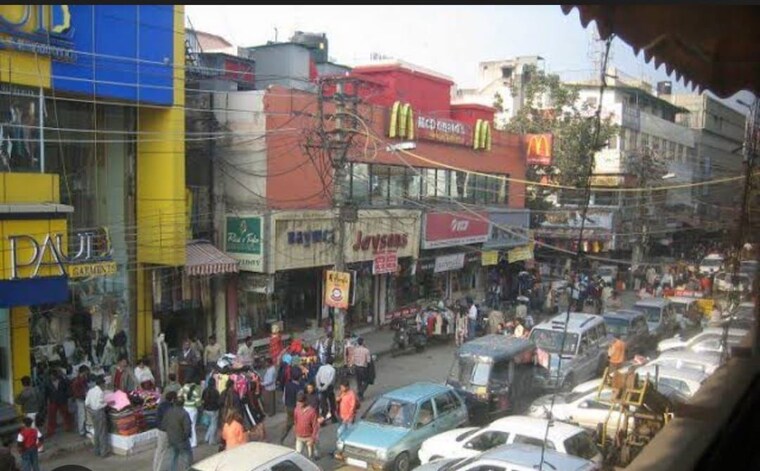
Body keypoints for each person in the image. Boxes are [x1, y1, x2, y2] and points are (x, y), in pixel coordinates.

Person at [162, 394, 193, 471]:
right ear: (183, 403)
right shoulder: (184, 413)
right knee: (187, 457)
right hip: (182, 439)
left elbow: (164, 425)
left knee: (173, 457)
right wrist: (186, 436)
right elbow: (187, 428)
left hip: (171, 439)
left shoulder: (169, 411)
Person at [85, 377, 113, 457]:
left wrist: (91, 411)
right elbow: (101, 404)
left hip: (93, 412)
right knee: (102, 432)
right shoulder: (100, 392)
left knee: (97, 431)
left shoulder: (90, 391)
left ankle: (97, 450)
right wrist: (107, 403)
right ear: (101, 384)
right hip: (100, 412)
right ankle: (104, 452)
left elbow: (86, 403)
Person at [334, 379, 358, 459]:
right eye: (341, 387)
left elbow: (352, 407)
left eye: (343, 387)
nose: (341, 389)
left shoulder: (352, 395)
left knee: (344, 433)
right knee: (341, 433)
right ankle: (341, 448)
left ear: (347, 387)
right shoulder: (342, 393)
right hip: (341, 416)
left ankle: (346, 449)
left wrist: (347, 418)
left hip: (348, 419)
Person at [45, 369, 73, 437]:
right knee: (51, 416)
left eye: (53, 376)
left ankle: (68, 427)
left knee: (65, 414)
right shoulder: (47, 382)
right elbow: (45, 392)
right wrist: (45, 401)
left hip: (62, 399)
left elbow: (68, 387)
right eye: (50, 376)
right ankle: (51, 430)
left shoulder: (63, 381)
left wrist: (67, 395)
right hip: (52, 400)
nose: (51, 377)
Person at [280, 367, 304, 444]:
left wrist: (286, 404)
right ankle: (298, 439)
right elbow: (300, 399)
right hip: (296, 407)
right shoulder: (299, 387)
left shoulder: (287, 385)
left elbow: (284, 397)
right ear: (299, 377)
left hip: (288, 407)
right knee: (299, 423)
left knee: (289, 423)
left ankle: (282, 438)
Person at [293, 391, 320, 459]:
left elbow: (315, 426)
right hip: (299, 437)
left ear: (305, 401)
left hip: (309, 437)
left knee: (310, 456)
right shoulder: (296, 410)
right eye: (298, 402)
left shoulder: (312, 411)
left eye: (301, 402)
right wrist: (296, 433)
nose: (299, 404)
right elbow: (295, 422)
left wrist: (313, 438)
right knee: (298, 455)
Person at [154, 391, 175, 471]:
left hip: (160, 429)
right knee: (163, 451)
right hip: (166, 430)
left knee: (159, 450)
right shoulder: (170, 408)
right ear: (172, 399)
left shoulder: (161, 405)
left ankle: (156, 468)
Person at [179, 379, 201, 448]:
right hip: (193, 409)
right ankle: (193, 442)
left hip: (185, 408)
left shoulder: (184, 387)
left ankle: (187, 440)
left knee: (185, 425)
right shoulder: (197, 389)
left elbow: (179, 395)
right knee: (192, 426)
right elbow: (198, 403)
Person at [315, 357, 337, 423]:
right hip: (329, 387)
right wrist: (326, 386)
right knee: (332, 402)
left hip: (321, 384)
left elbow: (317, 376)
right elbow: (331, 380)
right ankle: (333, 417)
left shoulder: (321, 367)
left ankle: (323, 418)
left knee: (323, 403)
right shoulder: (333, 370)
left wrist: (318, 385)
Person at [71, 366, 90, 437]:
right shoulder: (77, 381)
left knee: (84, 415)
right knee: (82, 415)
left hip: (83, 398)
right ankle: (81, 431)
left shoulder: (83, 379)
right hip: (80, 399)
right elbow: (76, 392)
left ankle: (84, 429)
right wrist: (84, 394)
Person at [202, 377, 221, 446]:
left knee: (210, 425)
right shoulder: (216, 392)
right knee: (213, 425)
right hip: (214, 410)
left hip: (206, 410)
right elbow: (218, 401)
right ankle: (211, 440)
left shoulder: (205, 390)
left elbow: (202, 399)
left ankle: (206, 437)